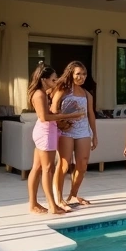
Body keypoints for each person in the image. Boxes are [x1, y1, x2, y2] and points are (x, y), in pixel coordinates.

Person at [26, 63, 84, 215]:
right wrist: (70, 115)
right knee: (47, 169)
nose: (55, 81)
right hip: (45, 133)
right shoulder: (39, 94)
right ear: (44, 79)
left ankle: (33, 204)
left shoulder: (43, 92)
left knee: (37, 168)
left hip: (47, 131)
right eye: (52, 79)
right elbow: (44, 117)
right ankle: (52, 205)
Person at [52, 62, 98, 207]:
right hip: (66, 130)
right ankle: (58, 198)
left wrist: (94, 134)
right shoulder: (62, 90)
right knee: (64, 165)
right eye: (78, 74)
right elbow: (53, 109)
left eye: (84, 74)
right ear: (71, 74)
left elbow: (91, 115)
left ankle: (73, 194)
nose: (82, 77)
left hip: (83, 130)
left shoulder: (87, 94)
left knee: (82, 164)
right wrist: (63, 119)